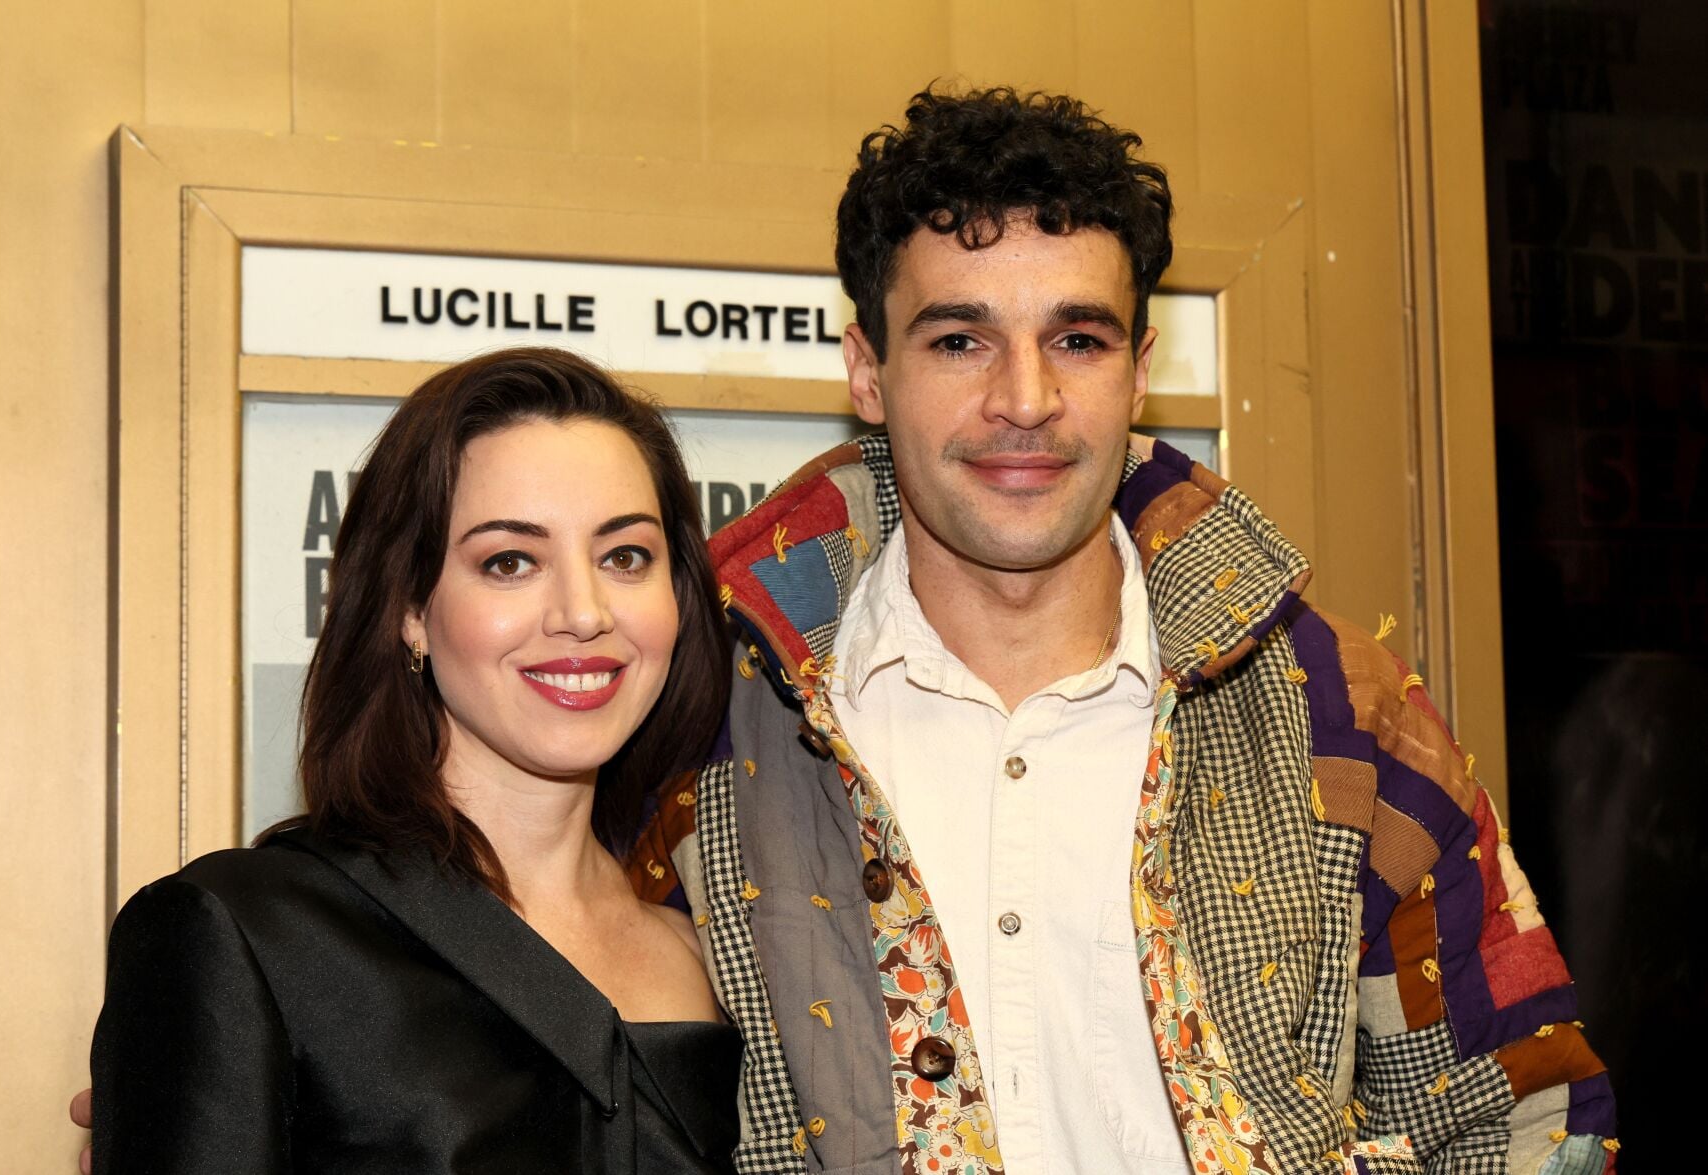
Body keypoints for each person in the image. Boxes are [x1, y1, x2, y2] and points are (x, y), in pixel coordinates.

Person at [625, 88, 1620, 1174]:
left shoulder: (1342, 710)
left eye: (1077, 338)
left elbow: (1528, 1119)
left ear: (1139, 368)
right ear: (867, 371)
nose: (1025, 398)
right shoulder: (700, 716)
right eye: (958, 338)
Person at [86, 348, 740, 1172]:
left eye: (625, 556)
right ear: (409, 609)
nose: (584, 612)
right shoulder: (244, 932)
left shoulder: (725, 955)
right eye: (509, 561)